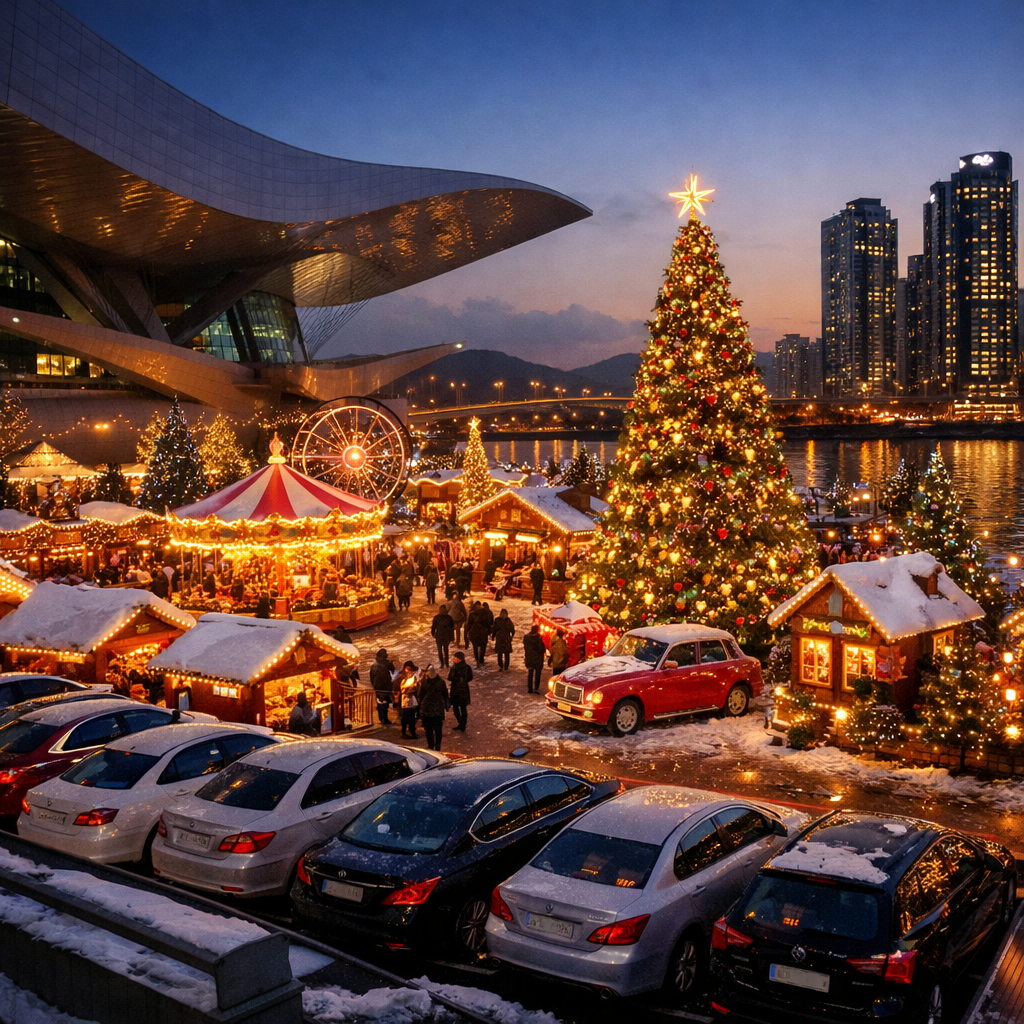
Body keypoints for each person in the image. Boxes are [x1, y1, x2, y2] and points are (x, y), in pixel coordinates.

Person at [418, 665, 448, 752]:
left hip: (426, 709)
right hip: (438, 709)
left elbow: (420, 695)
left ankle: (431, 746)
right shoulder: (441, 682)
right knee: (438, 729)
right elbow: (445, 694)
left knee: (428, 729)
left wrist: (419, 707)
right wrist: (446, 706)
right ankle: (437, 745)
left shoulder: (423, 682)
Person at [370, 648, 395, 725]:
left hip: (378, 687)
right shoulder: (387, 664)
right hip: (386, 686)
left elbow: (371, 677)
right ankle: (385, 718)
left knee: (380, 702)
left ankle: (381, 718)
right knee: (386, 702)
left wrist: (374, 685)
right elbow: (393, 670)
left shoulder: (374, 666)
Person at [448, 652, 472, 732]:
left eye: (455, 658)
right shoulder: (466, 667)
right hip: (462, 689)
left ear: (459, 659)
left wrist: (457, 679)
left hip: (458, 690)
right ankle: (462, 723)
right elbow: (470, 678)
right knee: (460, 708)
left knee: (459, 707)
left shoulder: (455, 667)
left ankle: (461, 723)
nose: (453, 659)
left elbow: (450, 677)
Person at [396, 663, 421, 739]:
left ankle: (407, 731)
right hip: (407, 700)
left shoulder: (409, 678)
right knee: (409, 717)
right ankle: (409, 732)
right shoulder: (404, 679)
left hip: (409, 699)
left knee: (408, 717)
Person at [523, 624, 547, 693]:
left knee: (530, 673)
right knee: (537, 674)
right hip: (538, 659)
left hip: (529, 658)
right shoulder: (538, 638)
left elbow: (526, 648)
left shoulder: (526, 638)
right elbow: (541, 649)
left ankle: (530, 688)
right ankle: (536, 688)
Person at [466, 601, 490, 668]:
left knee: (479, 647)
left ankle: (479, 660)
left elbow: (468, 625)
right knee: (479, 647)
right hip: (478, 633)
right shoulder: (484, 614)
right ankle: (479, 660)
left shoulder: (483, 614)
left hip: (477, 633)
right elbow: (488, 624)